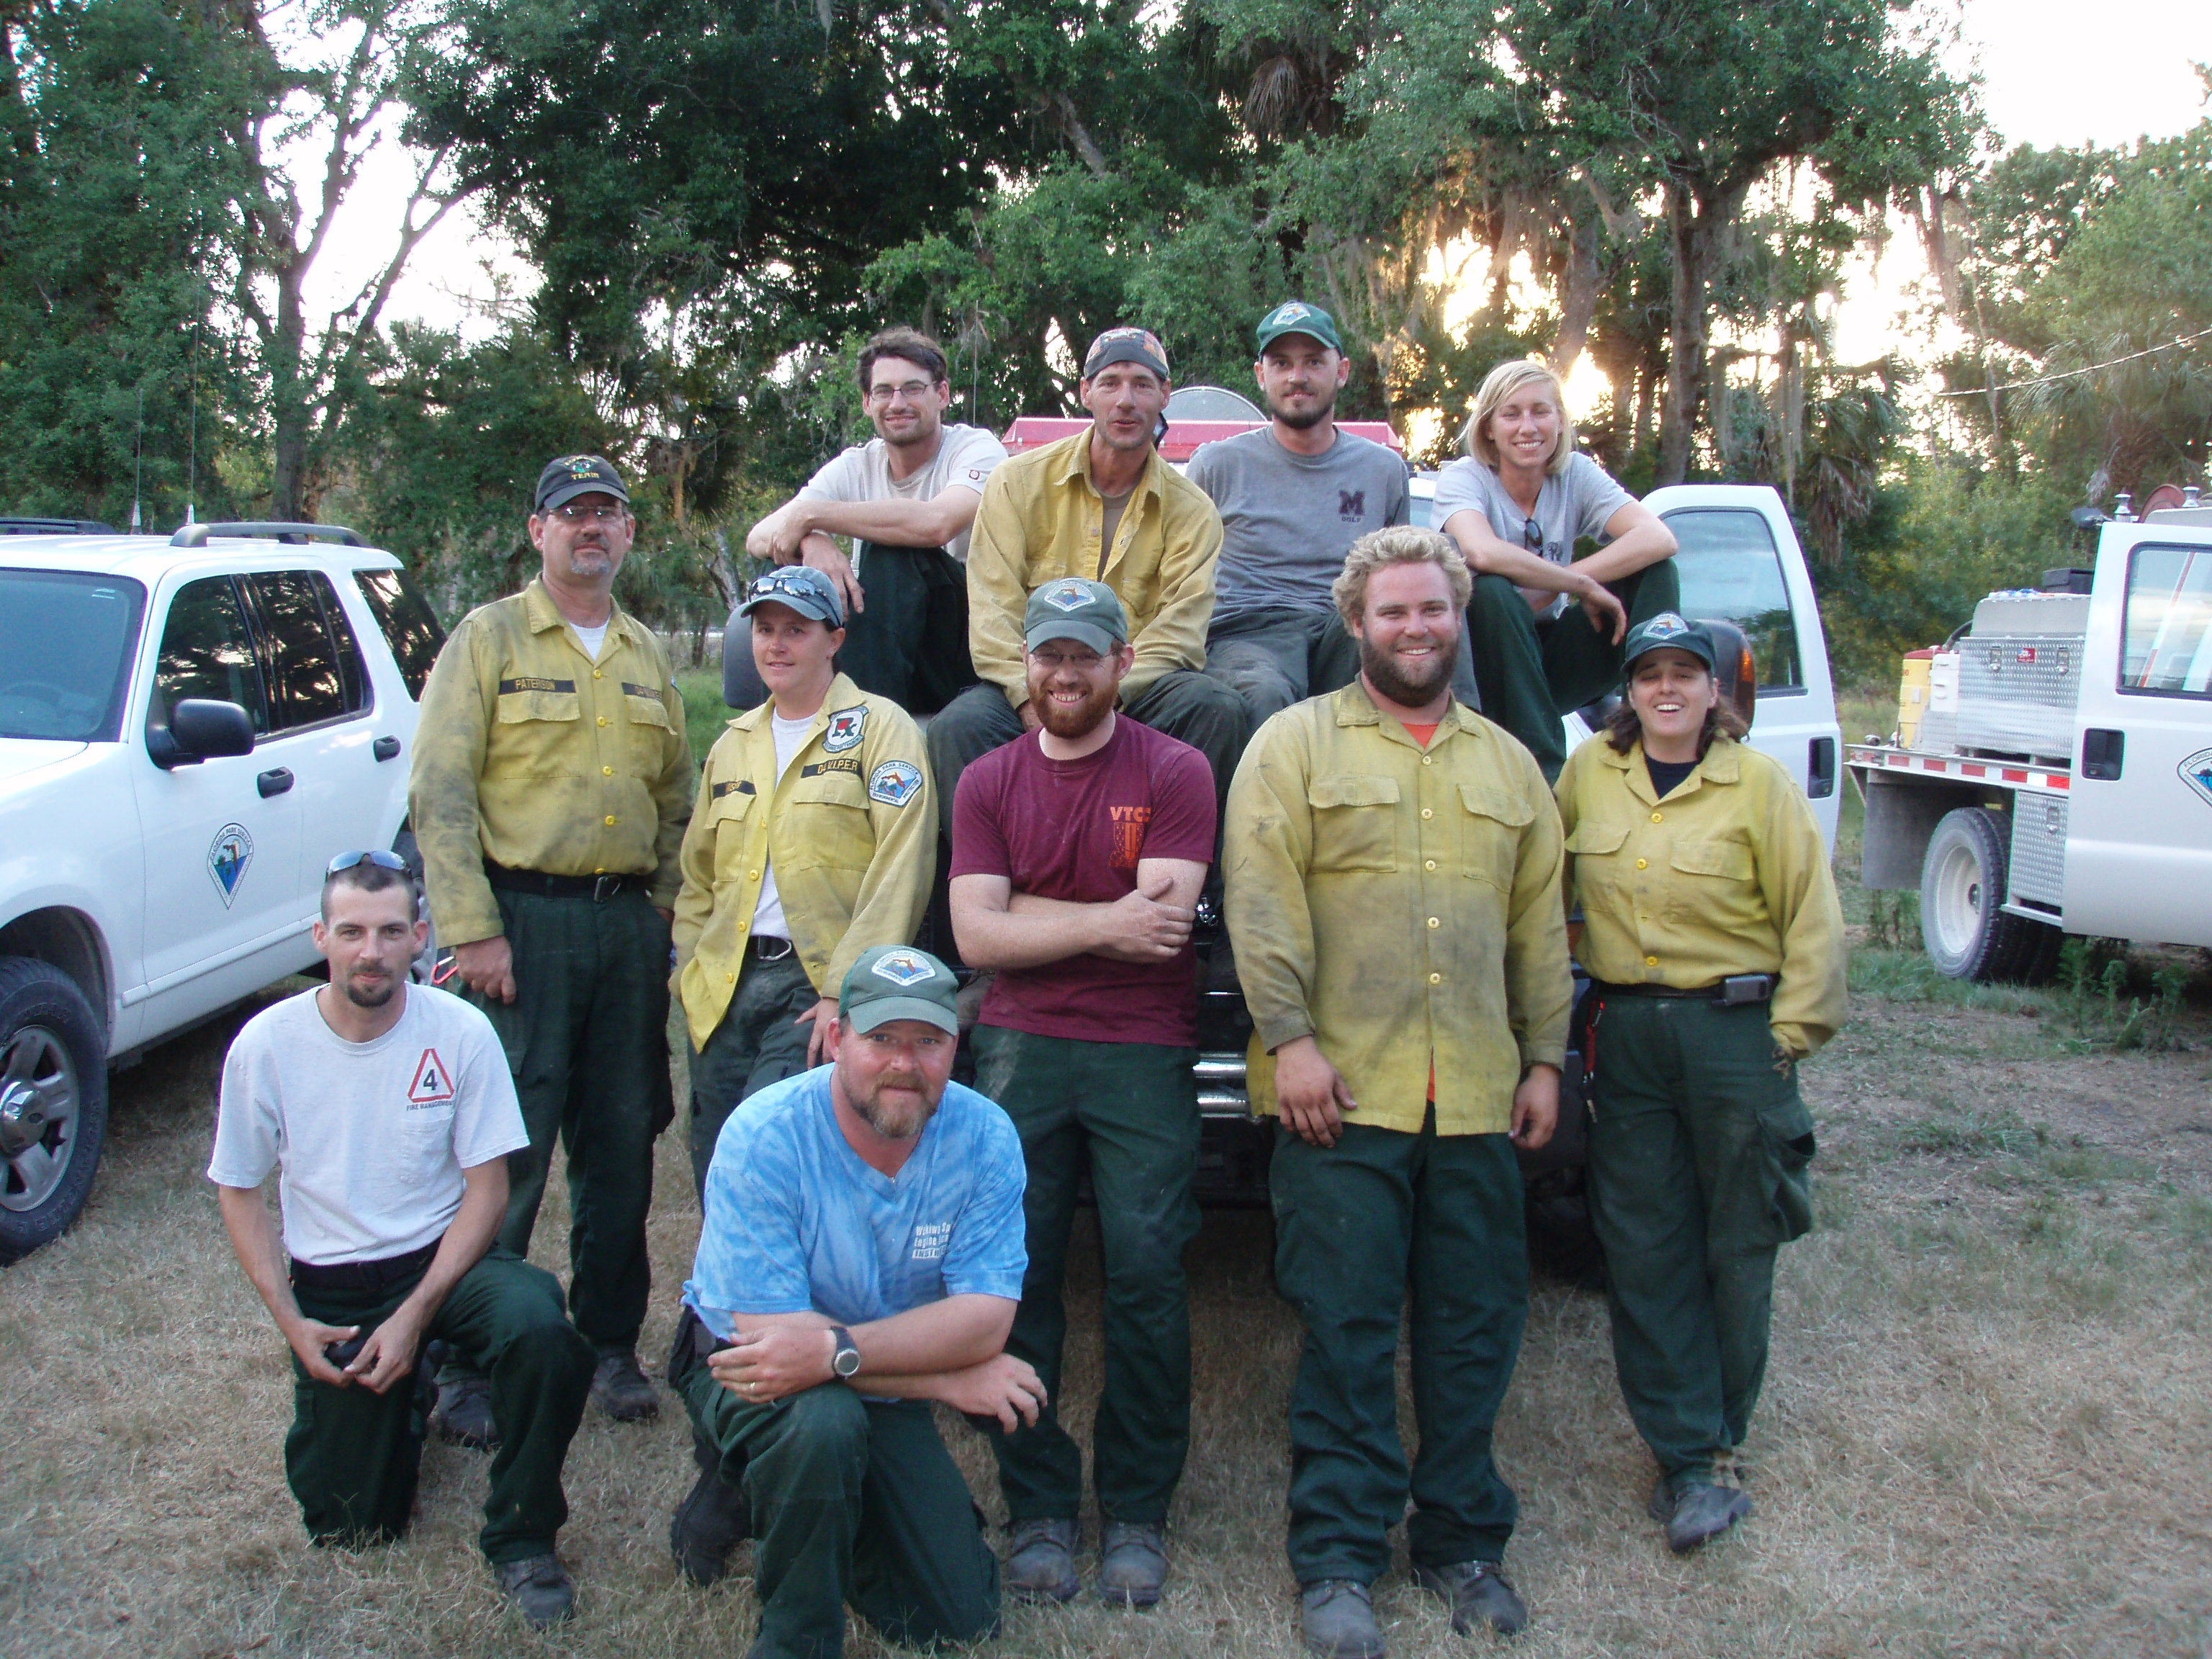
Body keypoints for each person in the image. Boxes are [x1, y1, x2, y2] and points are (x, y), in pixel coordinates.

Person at [1224, 525, 1574, 1658]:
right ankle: (1338, 1556)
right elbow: (1261, 905)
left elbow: (1536, 932)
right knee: (1347, 1329)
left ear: (1458, 616)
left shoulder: (1510, 766)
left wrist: (1545, 1060)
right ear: (1354, 625)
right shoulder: (1293, 747)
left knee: (1474, 1331)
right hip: (1344, 1094)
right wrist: (1292, 1042)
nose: (1415, 628)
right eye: (1392, 613)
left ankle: (1466, 1542)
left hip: (1474, 1093)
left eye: (1433, 610)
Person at [209, 853, 595, 1628]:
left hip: (443, 1265)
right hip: (335, 1281)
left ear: (420, 936)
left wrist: (416, 1316)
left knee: (542, 1328)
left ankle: (522, 1533)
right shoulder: (267, 1043)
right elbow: (240, 1190)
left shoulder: (460, 1030)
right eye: (351, 931)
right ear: (320, 936)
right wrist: (294, 1324)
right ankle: (403, 1395)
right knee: (352, 1526)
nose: (371, 951)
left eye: (391, 931)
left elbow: (489, 1189)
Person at [409, 453, 692, 1443]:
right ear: (537, 532)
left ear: (627, 533)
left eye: (609, 512)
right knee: (508, 1148)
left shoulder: (648, 653)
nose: (592, 528)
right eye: (571, 513)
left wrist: (660, 909)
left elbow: (675, 800)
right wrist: (472, 928)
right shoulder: (487, 639)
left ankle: (609, 1344)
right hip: (520, 926)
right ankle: (472, 1355)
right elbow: (439, 795)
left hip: (623, 932)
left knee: (621, 1143)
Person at [948, 577, 1216, 1609]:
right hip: (1021, 1045)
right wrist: (1101, 919)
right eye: (1049, 655)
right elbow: (977, 938)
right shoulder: (989, 780)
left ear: (1120, 663)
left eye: (1084, 655)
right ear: (1029, 665)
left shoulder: (1177, 768)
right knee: (1018, 1278)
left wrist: (1032, 913)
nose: (1065, 673)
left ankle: (1139, 1511)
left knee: (1148, 1276)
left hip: (1144, 1047)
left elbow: (1167, 919)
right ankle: (1042, 1507)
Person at [1553, 612, 1845, 1553]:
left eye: (1687, 673)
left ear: (1717, 691)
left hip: (1734, 1031)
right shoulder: (1589, 775)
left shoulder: (1756, 783)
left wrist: (1789, 1036)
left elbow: (1814, 917)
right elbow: (1546, 893)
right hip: (1628, 1033)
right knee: (1644, 1244)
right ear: (1627, 694)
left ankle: (1723, 1442)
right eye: (1649, 675)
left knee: (1738, 1237)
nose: (1668, 690)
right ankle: (1684, 1452)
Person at [667, 945, 1043, 1659]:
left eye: (927, 1042)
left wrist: (846, 1352)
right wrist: (943, 1380)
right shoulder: (763, 1135)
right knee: (823, 1429)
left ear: (953, 1046)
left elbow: (985, 1321)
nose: (905, 1062)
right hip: (743, 1364)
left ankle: (770, 1501)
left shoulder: (985, 1136)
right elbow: (781, 1347)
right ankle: (795, 1637)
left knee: (958, 1618)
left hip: (854, 1364)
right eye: (881, 1039)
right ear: (836, 1038)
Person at [673, 565, 935, 1198]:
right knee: (714, 1160)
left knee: (777, 1162)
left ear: (835, 639)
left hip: (810, 989)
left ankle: (793, 1296)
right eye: (764, 630)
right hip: (724, 986)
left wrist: (844, 991)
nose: (777, 645)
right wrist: (689, 971)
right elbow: (696, 876)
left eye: (796, 629)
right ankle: (724, 1297)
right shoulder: (732, 744)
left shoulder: (881, 728)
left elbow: (902, 866)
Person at [926, 325, 1246, 844]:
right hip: (1031, 681)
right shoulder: (1016, 482)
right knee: (956, 729)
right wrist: (1037, 700)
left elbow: (1180, 633)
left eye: (1143, 385)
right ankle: (970, 905)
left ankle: (1195, 901)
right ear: (1085, 391)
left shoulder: (1192, 511)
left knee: (1217, 709)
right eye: (1111, 382)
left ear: (1165, 396)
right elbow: (991, 611)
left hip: (1131, 687)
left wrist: (1104, 699)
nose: (1126, 400)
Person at [737, 327, 1008, 713]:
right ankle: (785, 727)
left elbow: (937, 523)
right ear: (867, 402)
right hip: (886, 637)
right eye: (884, 392)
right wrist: (812, 540)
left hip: (965, 645)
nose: (897, 403)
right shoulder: (857, 463)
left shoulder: (976, 448)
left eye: (913, 389)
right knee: (785, 571)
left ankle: (861, 724)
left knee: (892, 551)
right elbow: (760, 536)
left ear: (942, 394)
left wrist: (810, 515)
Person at [1433, 359, 1680, 781]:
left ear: (1561, 422)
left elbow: (1659, 538)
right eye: (1511, 414)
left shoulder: (1575, 474)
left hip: (1550, 655)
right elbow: (1483, 553)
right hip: (1483, 665)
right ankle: (1545, 777)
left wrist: (1569, 586)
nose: (1527, 427)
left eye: (1540, 412)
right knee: (1490, 590)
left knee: (1656, 571)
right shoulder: (1464, 478)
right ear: (1489, 427)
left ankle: (1654, 721)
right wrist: (1580, 583)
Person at [1190, 300, 1411, 727]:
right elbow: (1179, 574)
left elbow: (1402, 575)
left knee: (1410, 656)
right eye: (1282, 363)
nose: (1297, 377)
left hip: (1345, 627)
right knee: (1265, 694)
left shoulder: (1383, 470)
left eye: (1313, 361)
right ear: (1261, 375)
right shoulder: (1216, 465)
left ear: (1341, 371)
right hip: (1248, 631)